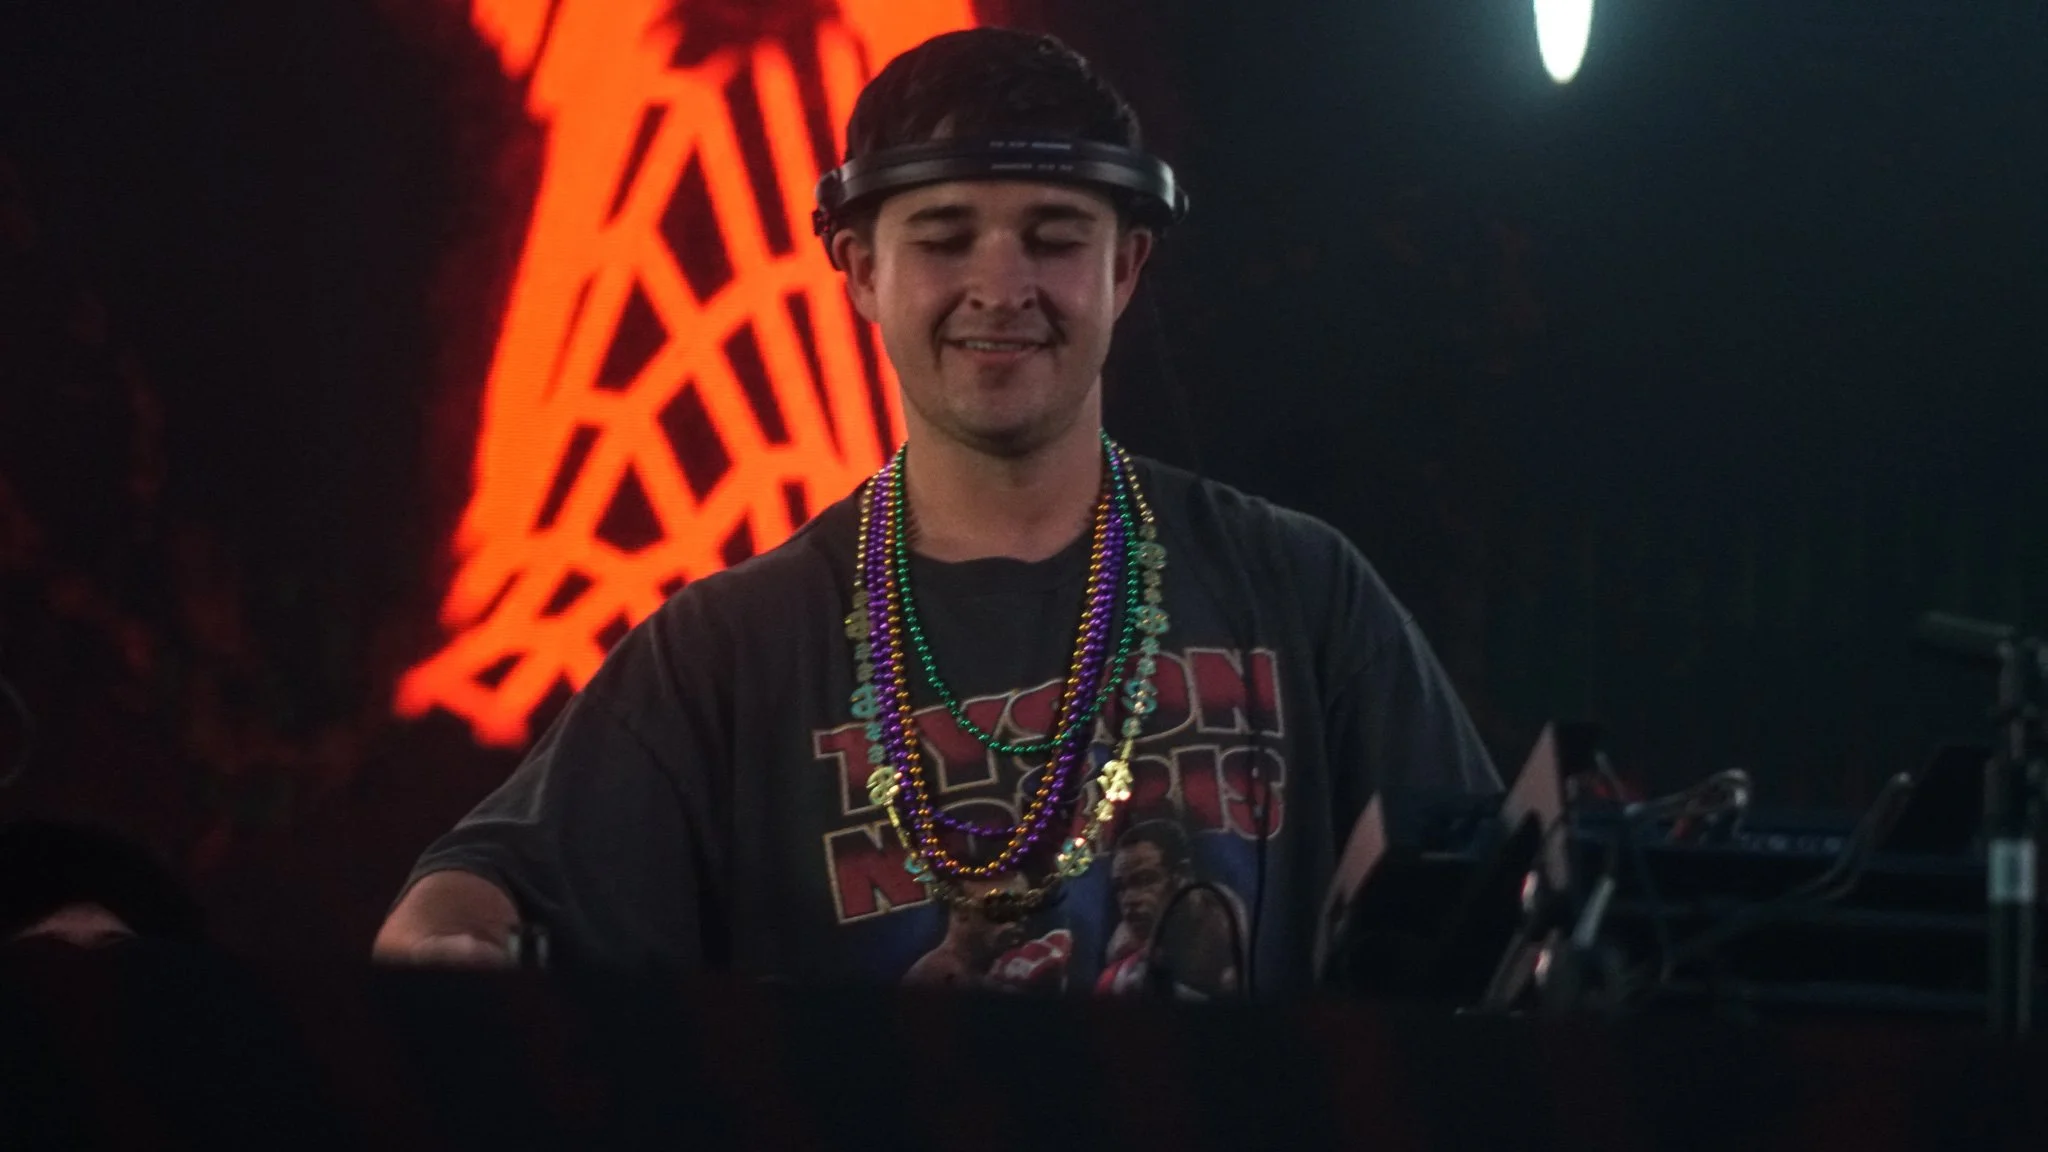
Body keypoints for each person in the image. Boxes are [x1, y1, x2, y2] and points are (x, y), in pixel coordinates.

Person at [374, 27, 1499, 995]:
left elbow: (1495, 913)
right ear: (861, 271)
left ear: (1125, 269)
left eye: (1054, 237)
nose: (999, 288)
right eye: (944, 236)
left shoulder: (1298, 592)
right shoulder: (729, 650)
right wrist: (450, 944)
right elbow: (466, 898)